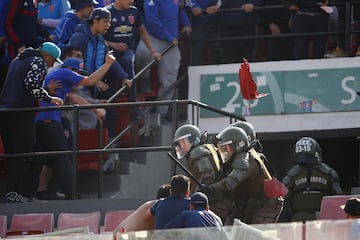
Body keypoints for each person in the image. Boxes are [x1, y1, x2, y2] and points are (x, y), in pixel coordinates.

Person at [34, 52, 116, 200]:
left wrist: (95, 105)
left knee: (51, 159)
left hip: (42, 122)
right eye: (78, 72)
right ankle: (72, 196)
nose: (77, 77)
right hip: (49, 122)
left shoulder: (57, 75)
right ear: (73, 70)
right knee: (64, 158)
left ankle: (41, 191)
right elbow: (90, 81)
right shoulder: (65, 72)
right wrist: (108, 63)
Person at [0, 42, 64, 203]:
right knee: (24, 153)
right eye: (53, 61)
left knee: (14, 154)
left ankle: (12, 192)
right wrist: (50, 98)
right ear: (47, 56)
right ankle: (15, 193)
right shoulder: (38, 61)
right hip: (20, 113)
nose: (51, 65)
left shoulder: (17, 60)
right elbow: (31, 85)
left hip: (5, 112)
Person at [68, 7, 132, 139]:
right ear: (95, 21)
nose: (108, 25)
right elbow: (72, 65)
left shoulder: (101, 40)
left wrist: (124, 77)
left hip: (89, 86)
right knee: (88, 117)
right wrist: (93, 79)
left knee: (99, 114)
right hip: (77, 87)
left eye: (109, 22)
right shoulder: (79, 38)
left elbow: (111, 61)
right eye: (105, 21)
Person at [200, 126, 282, 224]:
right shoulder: (236, 160)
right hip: (248, 201)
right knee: (232, 229)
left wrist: (211, 188)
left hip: (268, 204)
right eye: (222, 149)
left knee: (255, 234)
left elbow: (231, 182)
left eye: (227, 148)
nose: (224, 152)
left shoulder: (249, 160)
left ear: (238, 145)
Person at [135, 0, 192, 124]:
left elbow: (179, 10)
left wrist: (186, 23)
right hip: (152, 38)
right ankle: (145, 82)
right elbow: (151, 19)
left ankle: (162, 113)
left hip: (171, 42)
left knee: (170, 79)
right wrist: (168, 36)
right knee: (141, 54)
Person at [103, 0, 161, 118]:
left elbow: (143, 31)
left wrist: (153, 51)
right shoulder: (107, 12)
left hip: (127, 51)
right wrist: (114, 45)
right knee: (111, 87)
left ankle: (132, 104)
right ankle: (110, 127)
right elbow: (98, 38)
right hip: (109, 53)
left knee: (127, 61)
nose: (132, 1)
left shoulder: (134, 12)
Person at [172, 124, 230, 223]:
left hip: (211, 204)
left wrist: (194, 197)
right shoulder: (207, 149)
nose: (182, 146)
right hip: (218, 202)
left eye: (184, 142)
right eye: (180, 143)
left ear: (195, 140)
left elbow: (208, 176)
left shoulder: (198, 152)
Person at [281, 136, 343, 222]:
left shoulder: (291, 176)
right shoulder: (328, 173)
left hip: (309, 218)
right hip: (320, 219)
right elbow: (338, 199)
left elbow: (284, 202)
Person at [185, 0, 221, 65]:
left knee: (217, 51)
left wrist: (216, 7)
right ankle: (193, 73)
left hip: (215, 24)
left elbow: (220, 2)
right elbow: (195, 9)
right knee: (195, 54)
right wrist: (202, 9)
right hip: (197, 25)